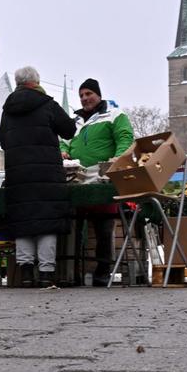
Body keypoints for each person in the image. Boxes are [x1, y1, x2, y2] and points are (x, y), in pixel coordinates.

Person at [0, 66, 76, 288]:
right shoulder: (47, 104)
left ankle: (25, 274)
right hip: (46, 173)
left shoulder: (8, 109)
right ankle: (46, 274)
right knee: (47, 222)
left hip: (18, 174)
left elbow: (3, 140)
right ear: (34, 83)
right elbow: (69, 130)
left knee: (23, 222)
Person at [60, 78, 134, 285]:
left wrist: (117, 159)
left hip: (103, 178)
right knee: (75, 228)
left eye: (88, 94)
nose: (84, 98)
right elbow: (63, 141)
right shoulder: (74, 121)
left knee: (104, 227)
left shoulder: (114, 115)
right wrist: (63, 151)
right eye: (81, 95)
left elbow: (125, 138)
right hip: (76, 178)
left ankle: (102, 271)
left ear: (98, 95)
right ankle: (74, 273)